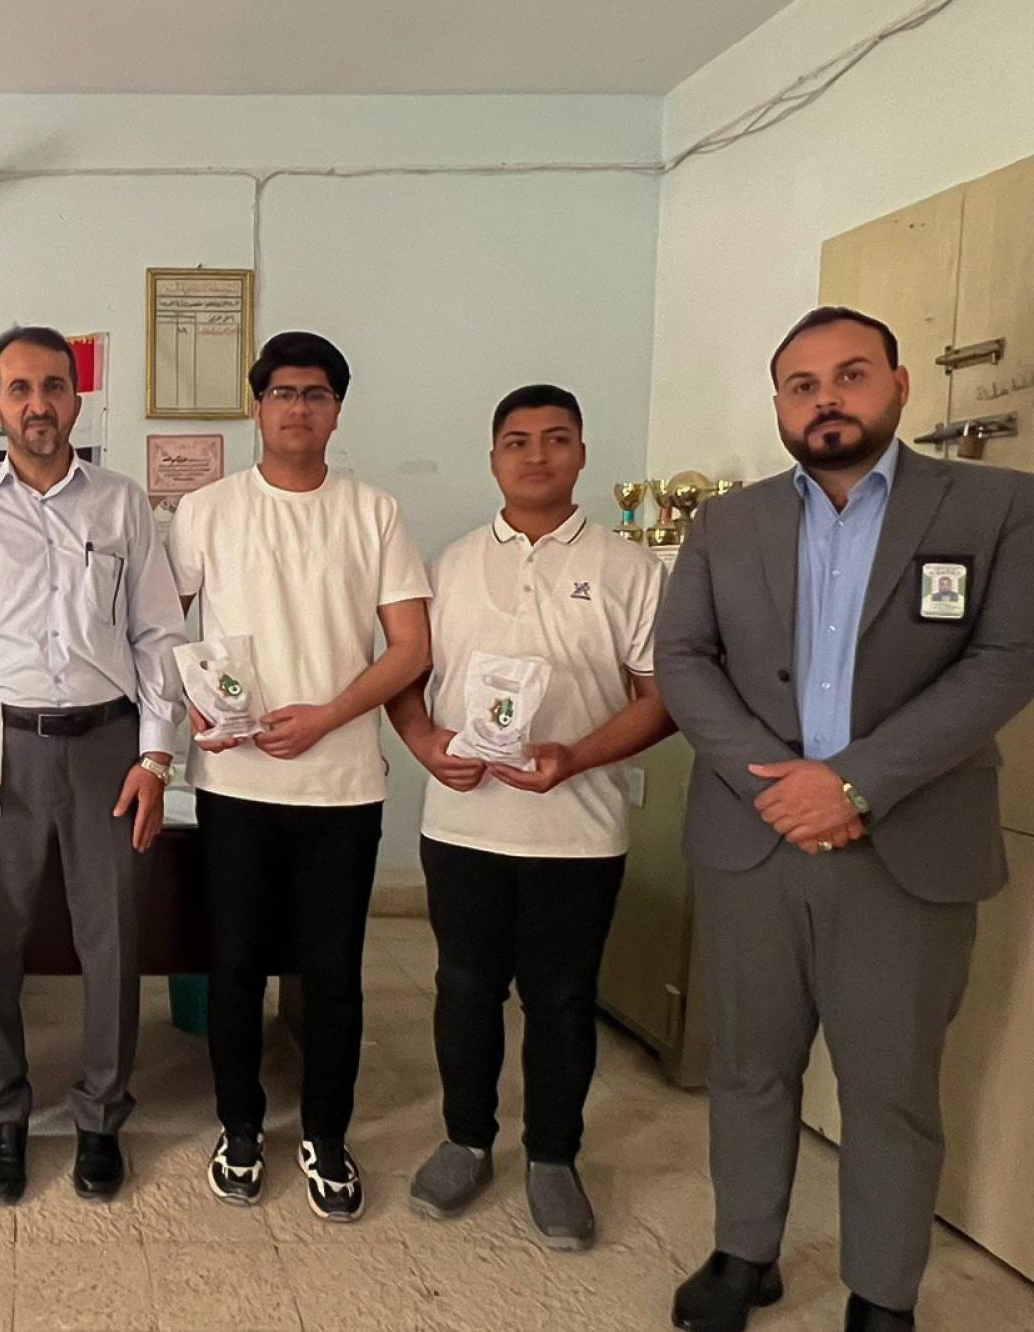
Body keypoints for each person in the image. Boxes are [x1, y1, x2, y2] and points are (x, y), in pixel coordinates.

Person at [657, 307, 1034, 1332]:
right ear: (780, 404)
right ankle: (743, 1253)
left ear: (898, 386)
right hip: (752, 843)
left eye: (850, 375)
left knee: (889, 1089)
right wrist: (769, 784)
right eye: (802, 384)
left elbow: (1007, 661)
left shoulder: (996, 506)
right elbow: (682, 658)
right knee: (747, 1068)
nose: (825, 399)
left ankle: (882, 1294)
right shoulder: (724, 524)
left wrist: (853, 783)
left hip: (904, 848)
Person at [387, 383, 674, 1248]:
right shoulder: (448, 565)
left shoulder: (631, 570)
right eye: (517, 441)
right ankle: (466, 1142)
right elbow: (402, 680)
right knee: (463, 989)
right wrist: (426, 743)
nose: (536, 454)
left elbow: (663, 699)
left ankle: (553, 1157)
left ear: (582, 454)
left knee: (561, 999)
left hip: (578, 831)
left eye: (556, 438)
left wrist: (574, 757)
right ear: (494, 459)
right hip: (463, 826)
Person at [0, 325, 185, 1204]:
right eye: (20, 389)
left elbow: (159, 636)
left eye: (53, 387)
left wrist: (156, 756)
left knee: (113, 941)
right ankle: (4, 1115)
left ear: (76, 400)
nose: (38, 404)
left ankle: (101, 1116)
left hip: (107, 746)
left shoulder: (123, 504)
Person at [165, 330, 430, 1222]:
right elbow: (163, 629)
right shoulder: (207, 510)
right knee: (234, 966)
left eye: (316, 394)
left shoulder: (374, 512)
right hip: (235, 783)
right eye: (282, 393)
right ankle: (239, 1127)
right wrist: (195, 706)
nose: (297, 409)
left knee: (333, 973)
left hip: (342, 786)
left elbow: (410, 647)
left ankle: (326, 1135)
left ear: (337, 411)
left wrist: (329, 714)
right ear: (257, 406)